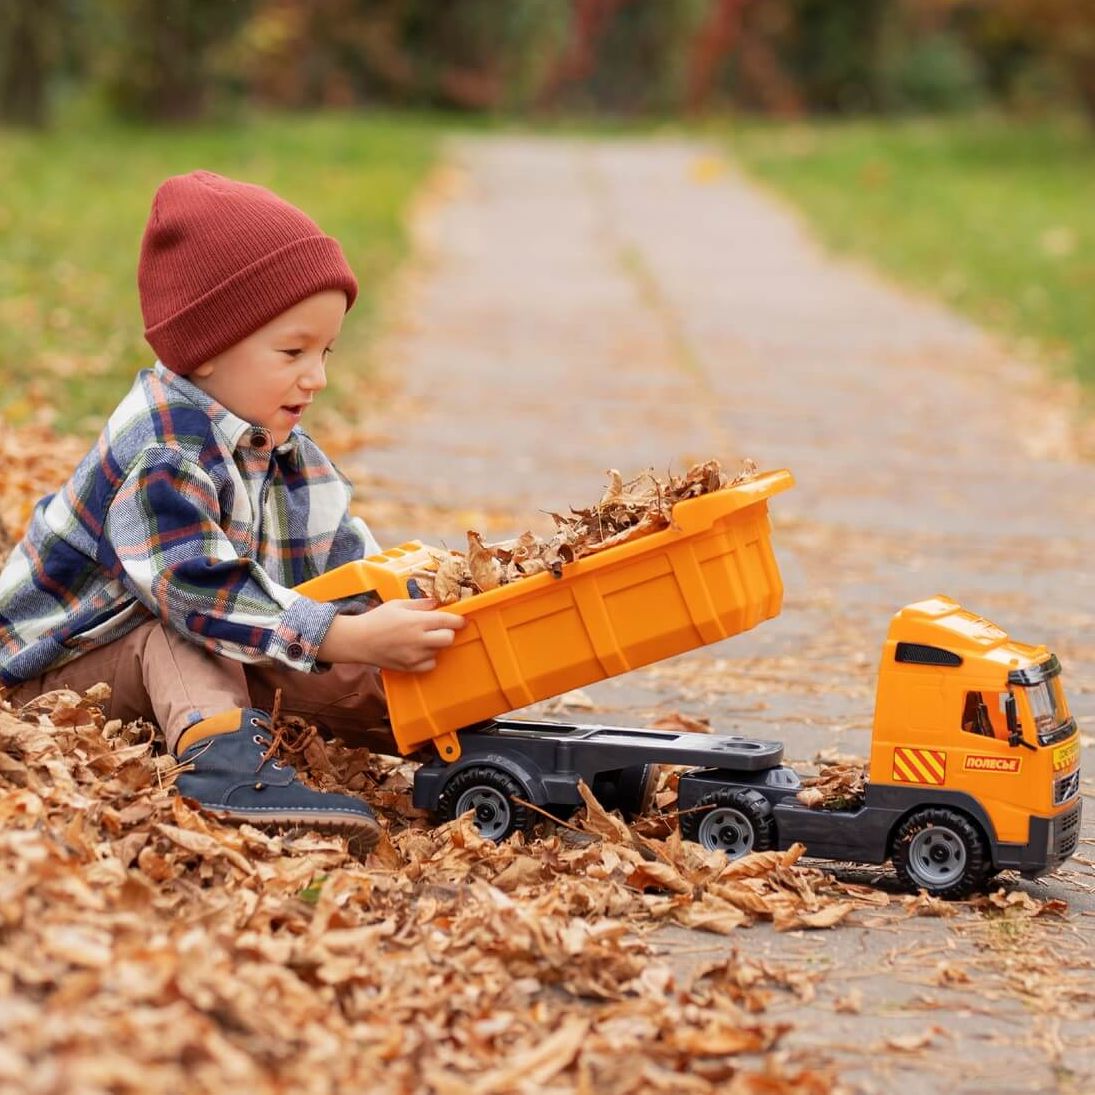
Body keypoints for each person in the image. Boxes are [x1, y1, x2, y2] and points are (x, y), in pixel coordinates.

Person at [0, 170, 464, 849]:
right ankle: (221, 766)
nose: (318, 376)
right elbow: (193, 589)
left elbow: (343, 570)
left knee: (332, 650)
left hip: (187, 659)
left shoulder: (279, 445)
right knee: (189, 627)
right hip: (53, 679)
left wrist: (412, 617)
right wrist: (342, 636)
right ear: (209, 347)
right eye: (293, 351)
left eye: (326, 351)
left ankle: (478, 744)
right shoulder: (163, 446)